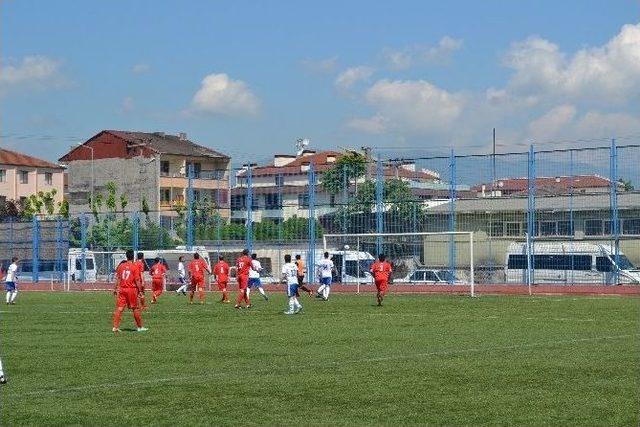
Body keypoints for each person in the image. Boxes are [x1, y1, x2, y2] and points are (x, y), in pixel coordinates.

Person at [112, 249, 147, 333]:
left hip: (122, 289)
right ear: (133, 257)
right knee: (135, 308)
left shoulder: (121, 266)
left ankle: (115, 327)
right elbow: (137, 280)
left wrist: (115, 288)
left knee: (119, 308)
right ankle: (140, 327)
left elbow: (118, 278)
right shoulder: (134, 267)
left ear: (126, 256)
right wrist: (140, 291)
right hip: (131, 290)